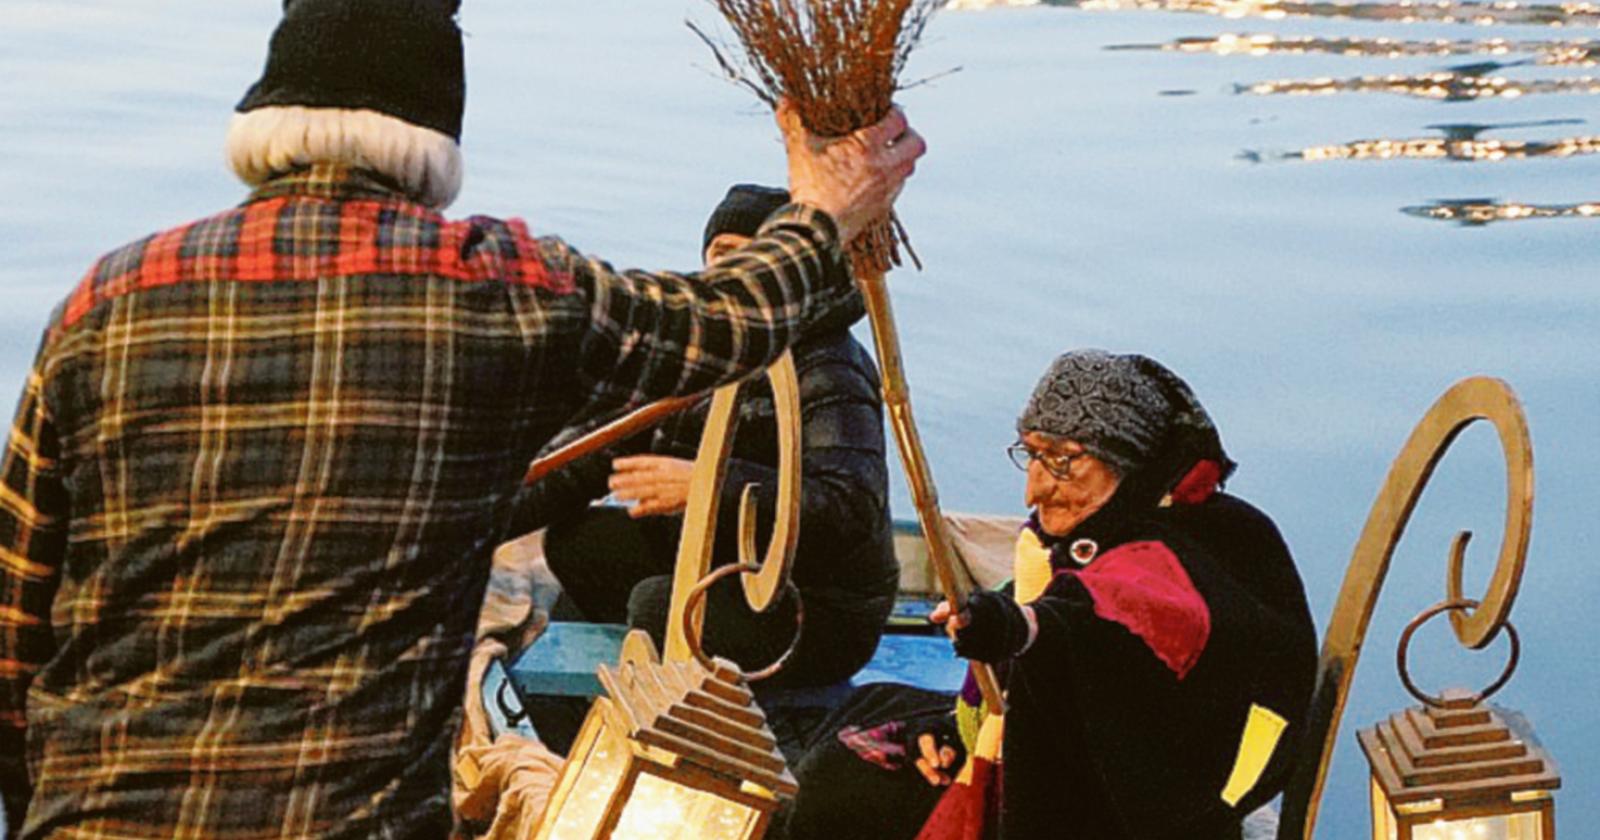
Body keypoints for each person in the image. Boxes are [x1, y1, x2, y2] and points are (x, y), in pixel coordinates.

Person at [0, 1, 925, 837]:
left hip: (96, 813)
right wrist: (824, 206)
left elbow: (18, 619)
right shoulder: (502, 287)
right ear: (433, 144)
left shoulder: (107, 301)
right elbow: (720, 322)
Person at [778, 350, 1317, 840]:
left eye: (1063, 460)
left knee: (839, 790)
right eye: (1032, 454)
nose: (1033, 488)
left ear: (1127, 464)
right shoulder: (1114, 523)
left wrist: (1016, 626)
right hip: (1088, 743)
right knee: (871, 710)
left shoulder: (1191, 550)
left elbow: (1113, 615)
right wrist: (951, 730)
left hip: (1144, 806)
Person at [511, 184, 898, 698]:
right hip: (725, 558)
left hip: (816, 606)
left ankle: (708, 695)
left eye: (752, 255)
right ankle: (639, 669)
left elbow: (851, 507)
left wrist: (712, 485)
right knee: (579, 544)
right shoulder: (711, 345)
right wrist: (471, 522)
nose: (736, 272)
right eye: (722, 255)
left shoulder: (829, 368)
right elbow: (588, 458)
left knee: (659, 604)